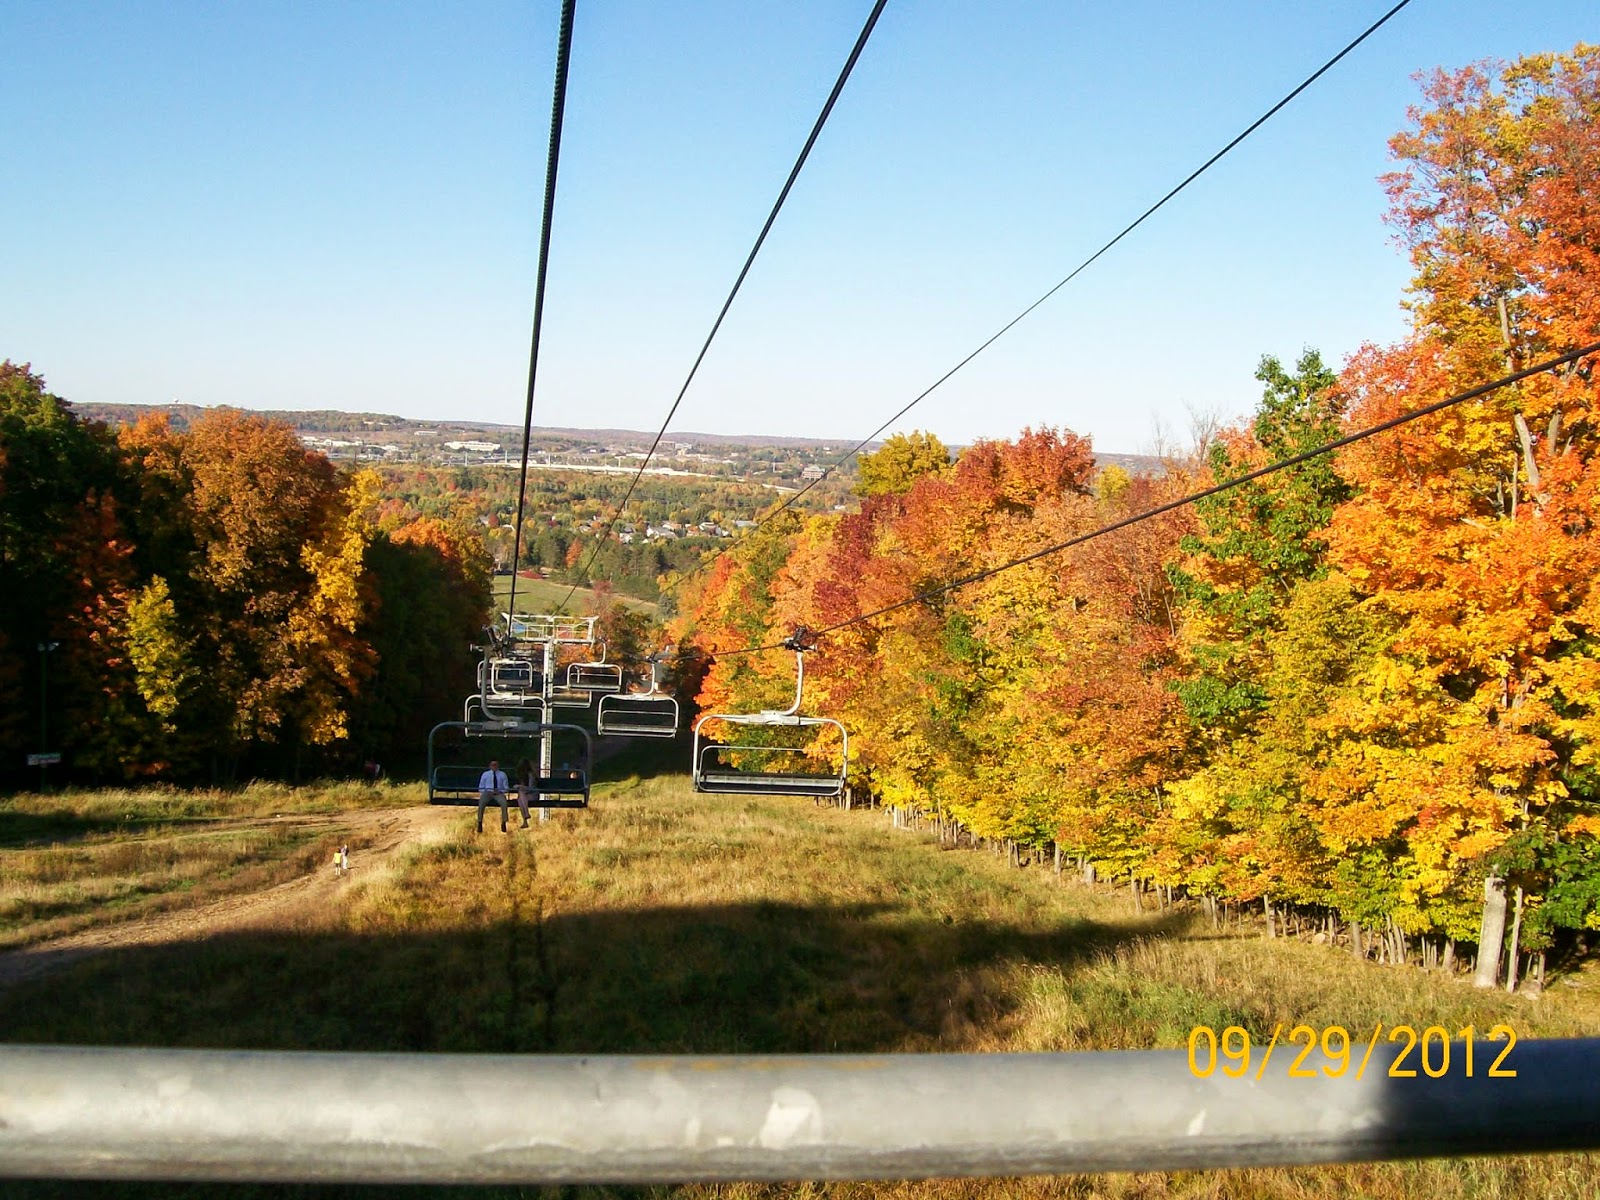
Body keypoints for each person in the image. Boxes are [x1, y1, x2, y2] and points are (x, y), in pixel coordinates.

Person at [477, 759, 511, 833]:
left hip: (499, 793)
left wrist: (500, 791)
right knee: (481, 803)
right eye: (492, 765)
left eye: (495, 765)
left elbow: (506, 787)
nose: (494, 766)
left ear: (498, 765)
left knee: (504, 803)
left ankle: (504, 822)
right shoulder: (485, 774)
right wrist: (486, 791)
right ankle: (479, 822)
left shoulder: (502, 774)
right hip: (488, 792)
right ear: (489, 766)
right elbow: (480, 787)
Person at [513, 757, 535, 828]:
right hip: (525, 796)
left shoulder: (530, 775)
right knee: (520, 799)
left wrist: (521, 787)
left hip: (533, 794)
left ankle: (526, 817)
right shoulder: (521, 776)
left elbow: (531, 788)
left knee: (521, 794)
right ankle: (525, 818)